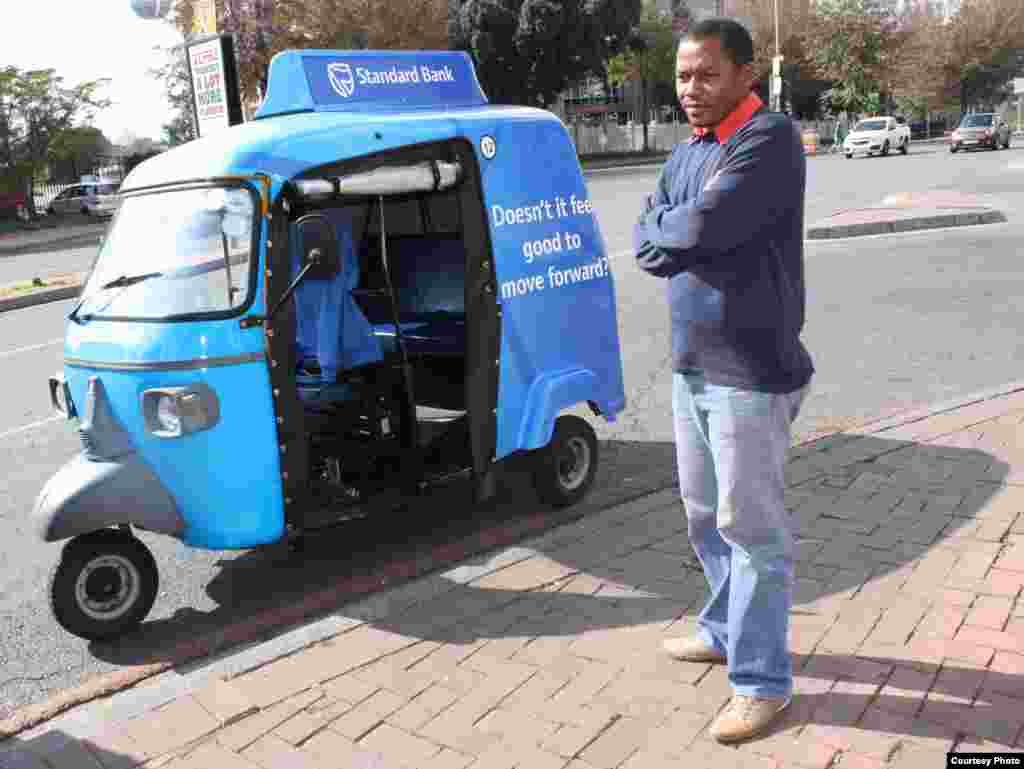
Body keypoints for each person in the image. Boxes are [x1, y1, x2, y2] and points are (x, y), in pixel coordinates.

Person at [634, 17, 814, 744]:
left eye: (706, 74)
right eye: (682, 77)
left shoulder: (767, 139)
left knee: (753, 531)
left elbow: (705, 228)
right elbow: (648, 239)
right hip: (691, 365)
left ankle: (763, 681)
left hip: (751, 370)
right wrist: (677, 225)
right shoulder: (687, 152)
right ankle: (722, 626)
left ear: (744, 74)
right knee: (703, 516)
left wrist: (677, 226)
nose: (691, 89)